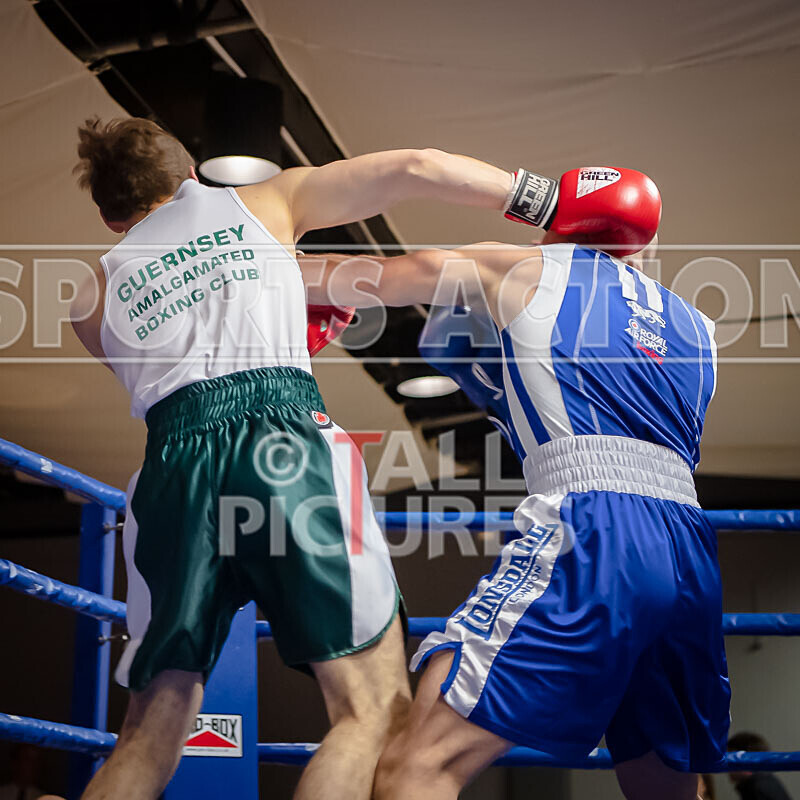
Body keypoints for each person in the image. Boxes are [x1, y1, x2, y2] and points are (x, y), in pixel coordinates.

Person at [67, 116, 526, 800]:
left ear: (112, 219)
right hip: (283, 442)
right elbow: (417, 165)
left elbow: (178, 379)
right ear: (191, 174)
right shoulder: (262, 200)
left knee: (147, 735)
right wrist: (539, 196)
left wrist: (267, 317)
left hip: (170, 470)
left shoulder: (89, 296)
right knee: (369, 711)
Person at [306, 166, 730, 800]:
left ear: (557, 222)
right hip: (688, 548)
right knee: (665, 783)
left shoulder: (526, 270)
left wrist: (255, 268)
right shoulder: (699, 329)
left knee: (418, 766)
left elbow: (389, 277)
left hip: (596, 529)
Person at [728, 732, 793, 800]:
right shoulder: (765, 780)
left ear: (748, 760)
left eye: (731, 759)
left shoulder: (757, 786)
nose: (727, 764)